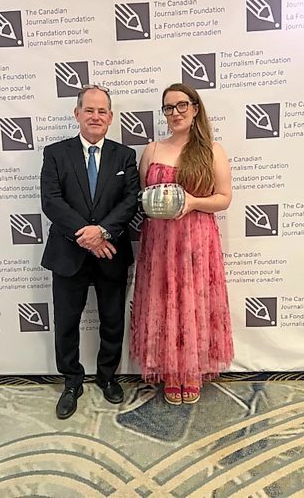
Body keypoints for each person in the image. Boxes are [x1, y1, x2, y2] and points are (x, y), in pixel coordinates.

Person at [130, 83, 233, 405]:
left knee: (193, 304)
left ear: (195, 108)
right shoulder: (152, 149)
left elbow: (224, 198)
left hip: (197, 240)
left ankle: (191, 371)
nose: (175, 113)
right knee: (164, 304)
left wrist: (191, 202)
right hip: (160, 242)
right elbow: (139, 197)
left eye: (181, 106)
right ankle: (170, 371)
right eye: (168, 108)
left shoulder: (212, 150)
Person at [41, 85, 140, 419]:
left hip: (111, 252)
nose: (95, 116)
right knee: (67, 322)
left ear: (110, 117)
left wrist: (103, 232)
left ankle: (108, 377)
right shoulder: (55, 153)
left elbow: (130, 201)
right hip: (69, 253)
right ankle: (71, 381)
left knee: (112, 321)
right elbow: (51, 200)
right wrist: (87, 235)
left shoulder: (125, 156)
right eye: (89, 110)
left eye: (102, 111)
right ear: (77, 114)